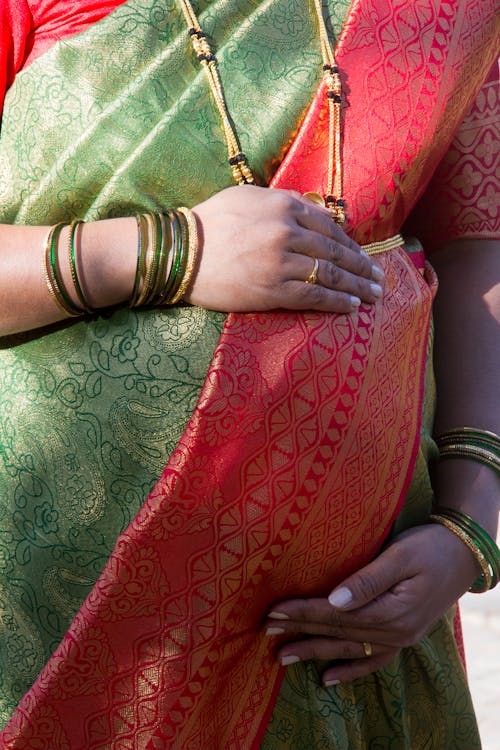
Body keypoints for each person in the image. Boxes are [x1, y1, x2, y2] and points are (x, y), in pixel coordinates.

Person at [0, 1, 498, 747]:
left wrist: (469, 528)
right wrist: (171, 253)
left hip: (352, 637)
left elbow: (477, 249)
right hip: (53, 608)